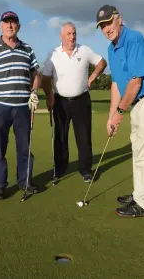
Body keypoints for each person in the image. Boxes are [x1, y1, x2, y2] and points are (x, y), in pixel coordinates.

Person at [96, 5, 144, 217]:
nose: (107, 29)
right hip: (138, 103)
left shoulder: (134, 39)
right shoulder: (111, 49)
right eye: (102, 26)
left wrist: (119, 112)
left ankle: (143, 204)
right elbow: (118, 85)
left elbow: (135, 82)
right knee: (138, 149)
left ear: (119, 19)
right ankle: (139, 194)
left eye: (109, 22)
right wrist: (112, 116)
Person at [0, 11, 40, 199]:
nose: (9, 26)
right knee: (0, 148)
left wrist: (34, 92)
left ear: (18, 26)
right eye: (6, 22)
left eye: (13, 22)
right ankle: (0, 185)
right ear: (0, 26)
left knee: (24, 147)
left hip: (23, 107)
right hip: (1, 107)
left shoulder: (27, 49)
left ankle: (25, 182)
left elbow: (36, 75)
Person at [40, 22, 107, 182]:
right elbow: (46, 77)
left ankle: (85, 170)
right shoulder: (53, 53)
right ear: (61, 36)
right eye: (69, 34)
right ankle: (60, 169)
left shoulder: (84, 50)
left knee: (84, 137)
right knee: (60, 136)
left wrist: (92, 77)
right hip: (60, 101)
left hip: (81, 100)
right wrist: (49, 96)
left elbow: (102, 62)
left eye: (74, 33)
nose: (72, 37)